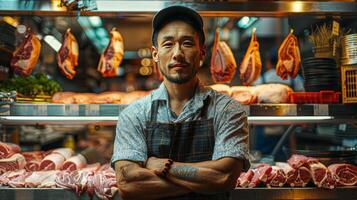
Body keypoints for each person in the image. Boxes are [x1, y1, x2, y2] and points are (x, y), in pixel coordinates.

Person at [111, 6, 250, 200]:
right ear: (155, 54)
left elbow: (225, 176)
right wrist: (205, 183)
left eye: (187, 43)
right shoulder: (134, 114)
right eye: (168, 44)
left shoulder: (228, 110)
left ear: (201, 53)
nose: (177, 53)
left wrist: (163, 166)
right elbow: (128, 183)